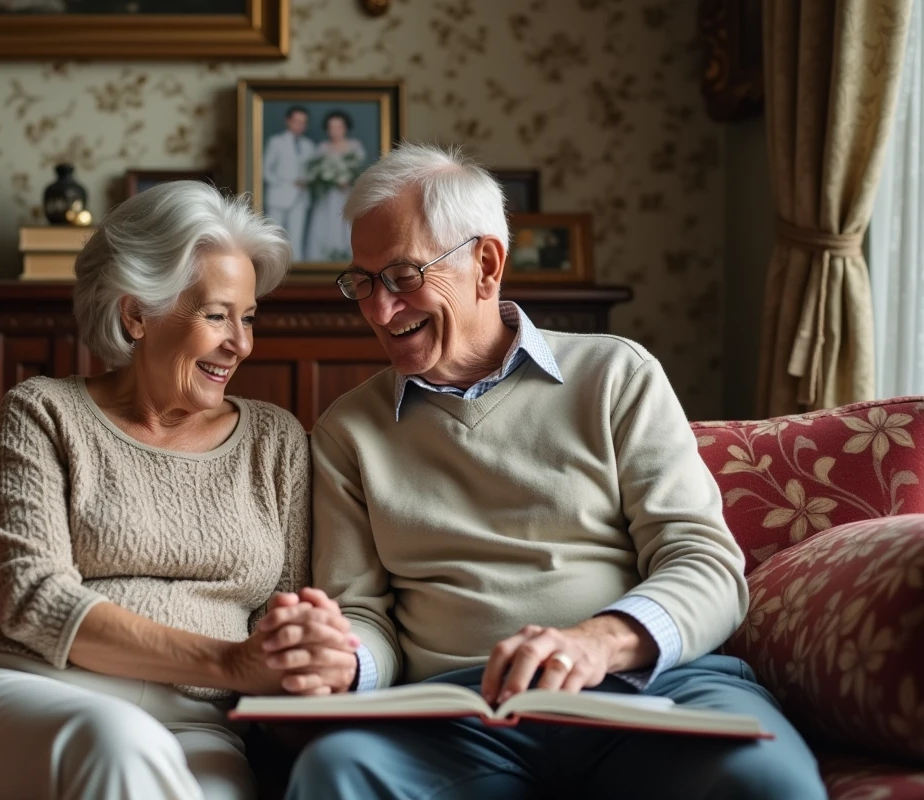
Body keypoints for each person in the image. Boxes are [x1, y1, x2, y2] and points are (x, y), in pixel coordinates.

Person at [269, 144, 827, 799]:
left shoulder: (616, 375)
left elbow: (703, 562)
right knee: (335, 773)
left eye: (402, 276)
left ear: (485, 263)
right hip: (455, 716)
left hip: (646, 688)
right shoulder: (346, 431)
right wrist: (346, 657)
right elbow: (365, 614)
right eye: (361, 282)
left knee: (766, 782)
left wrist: (599, 642)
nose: (378, 311)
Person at [0, 181, 356, 800]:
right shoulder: (43, 413)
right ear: (136, 313)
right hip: (18, 691)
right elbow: (30, 596)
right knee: (119, 745)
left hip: (194, 728)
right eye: (217, 315)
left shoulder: (275, 443)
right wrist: (228, 663)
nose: (241, 344)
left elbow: (281, 618)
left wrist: (304, 655)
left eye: (249, 317)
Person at [304, 111, 366, 263]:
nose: (335, 131)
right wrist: (330, 178)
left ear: (345, 128)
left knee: (346, 221)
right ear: (327, 129)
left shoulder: (355, 146)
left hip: (347, 193)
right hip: (328, 195)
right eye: (332, 127)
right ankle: (324, 255)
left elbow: (358, 171)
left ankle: (346, 254)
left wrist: (347, 179)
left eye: (339, 127)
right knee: (326, 219)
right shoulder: (322, 147)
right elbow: (317, 171)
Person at [262, 107, 313, 260]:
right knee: (275, 237)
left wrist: (307, 181)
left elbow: (312, 170)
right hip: (278, 196)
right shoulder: (276, 141)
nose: (299, 125)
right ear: (288, 121)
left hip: (300, 198)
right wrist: (285, 183)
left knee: (296, 238)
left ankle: (296, 273)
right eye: (296, 121)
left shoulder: (309, 145)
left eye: (303, 122)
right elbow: (265, 169)